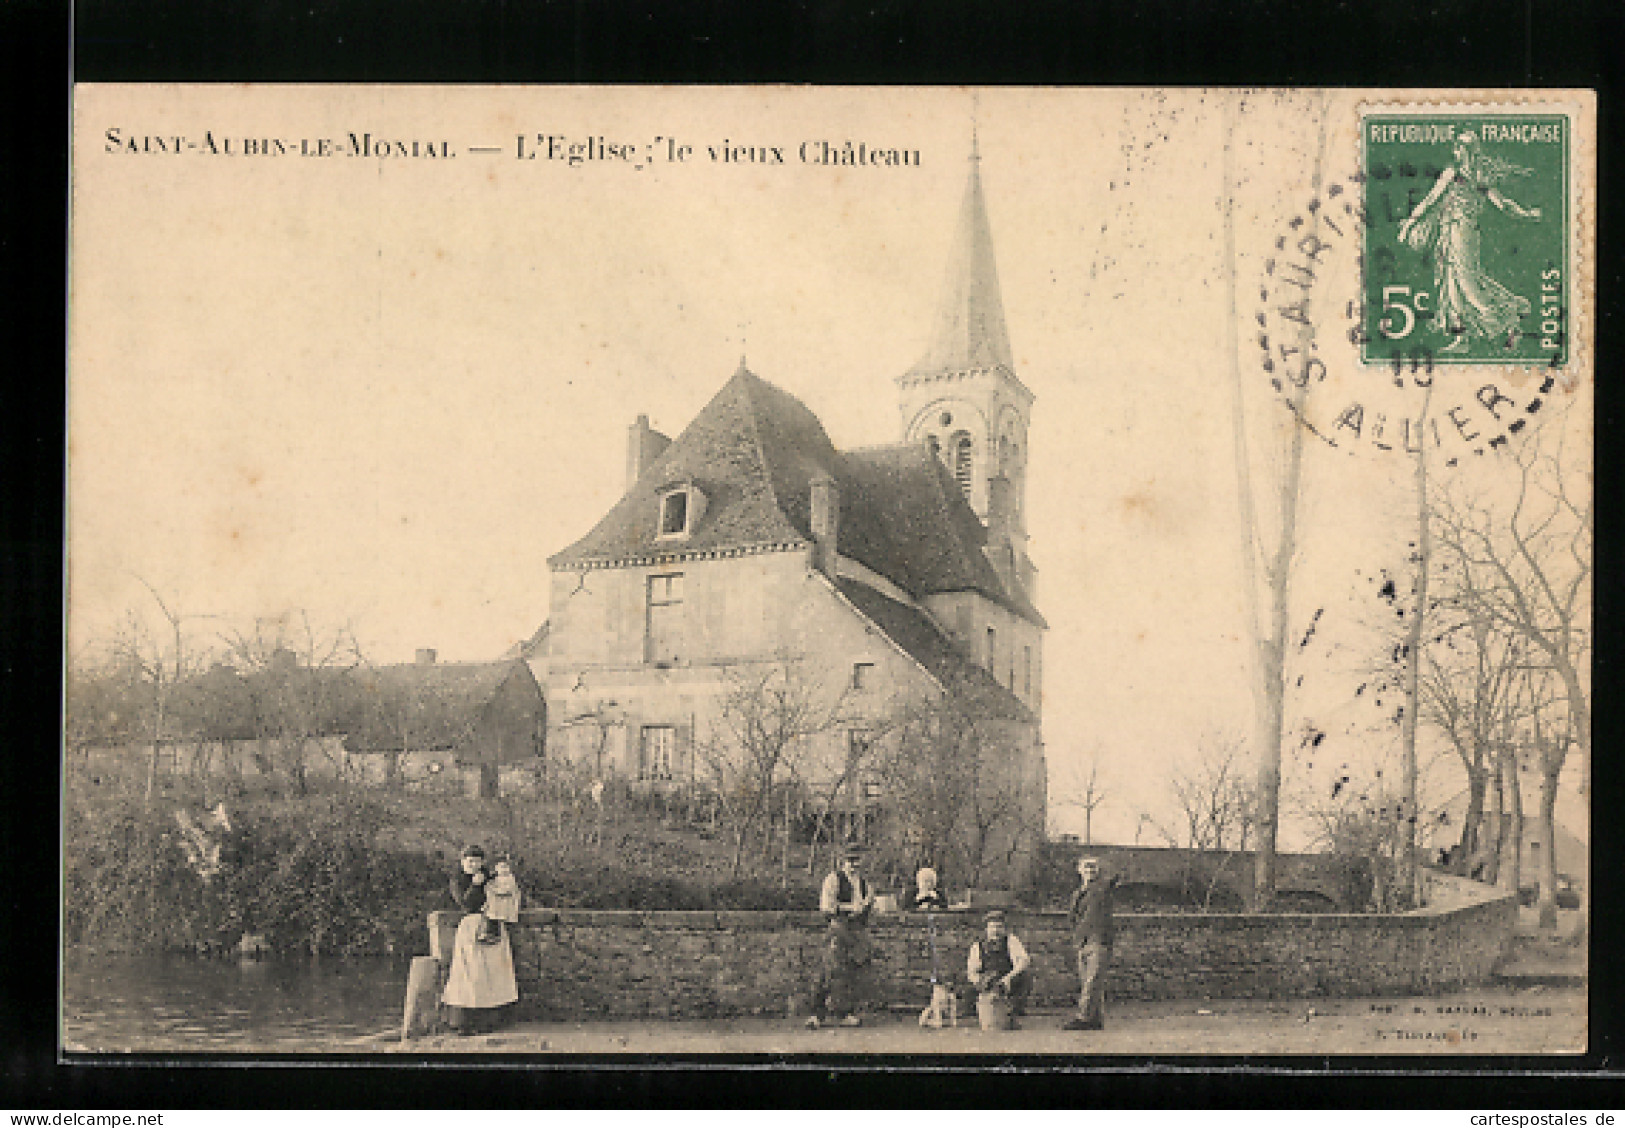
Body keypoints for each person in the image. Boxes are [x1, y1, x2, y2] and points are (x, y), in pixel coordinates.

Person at [1396, 131, 1542, 354]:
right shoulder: (1456, 174)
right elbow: (1430, 200)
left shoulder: (1475, 177)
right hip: (1450, 233)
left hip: (1464, 234)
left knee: (1468, 286)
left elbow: (1502, 204)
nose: (1457, 152)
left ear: (1466, 151)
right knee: (1452, 285)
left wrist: (1527, 214)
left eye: (1460, 148)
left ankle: (1511, 319)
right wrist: (1408, 224)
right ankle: (1461, 338)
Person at [442, 845, 519, 1034]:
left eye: (477, 861)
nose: (474, 865)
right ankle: (463, 1022)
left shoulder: (490, 876)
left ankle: (490, 1021)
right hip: (470, 927)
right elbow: (465, 903)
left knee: (493, 974)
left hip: (492, 925)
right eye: (470, 861)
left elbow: (506, 893)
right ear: (463, 862)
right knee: (469, 974)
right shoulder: (458, 880)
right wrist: (475, 885)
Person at [808, 844, 874, 1029]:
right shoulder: (833, 879)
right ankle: (816, 1014)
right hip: (838, 927)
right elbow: (826, 906)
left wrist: (865, 909)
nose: (853, 865)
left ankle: (846, 1013)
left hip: (856, 930)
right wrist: (848, 908)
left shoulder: (863, 883)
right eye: (850, 860)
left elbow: (868, 903)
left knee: (852, 972)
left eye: (857, 860)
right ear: (843, 861)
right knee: (829, 970)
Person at [1064, 856, 1118, 1031]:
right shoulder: (1076, 893)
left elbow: (1116, 876)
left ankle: (1083, 1017)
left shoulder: (1103, 888)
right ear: (1079, 870)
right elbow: (1072, 918)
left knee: (1092, 981)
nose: (1090, 871)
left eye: (1094, 867)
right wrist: (1078, 935)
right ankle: (1095, 1019)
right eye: (1086, 867)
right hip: (1082, 942)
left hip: (1099, 941)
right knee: (1089, 981)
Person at [967, 910, 1033, 1027]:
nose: (996, 931)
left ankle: (1013, 1013)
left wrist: (1008, 977)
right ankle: (988, 1015)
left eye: (999, 927)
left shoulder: (1011, 940)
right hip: (988, 979)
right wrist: (980, 982)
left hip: (1008, 977)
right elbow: (972, 971)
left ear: (1004, 928)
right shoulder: (978, 945)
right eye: (992, 927)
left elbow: (1024, 961)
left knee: (1025, 976)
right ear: (986, 929)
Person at [914, 867, 954, 1028]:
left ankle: (937, 1004)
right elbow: (906, 909)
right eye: (924, 881)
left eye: (930, 881)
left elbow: (946, 910)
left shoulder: (939, 895)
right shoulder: (913, 895)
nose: (927, 884)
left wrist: (936, 904)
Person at [478, 857, 522, 944]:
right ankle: (486, 933)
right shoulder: (495, 879)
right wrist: (489, 888)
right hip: (497, 902)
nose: (504, 869)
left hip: (506, 903)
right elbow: (488, 888)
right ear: (496, 869)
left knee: (495, 916)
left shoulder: (510, 879)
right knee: (488, 914)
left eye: (505, 867)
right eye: (501, 867)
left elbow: (506, 890)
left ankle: (495, 935)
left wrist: (495, 890)